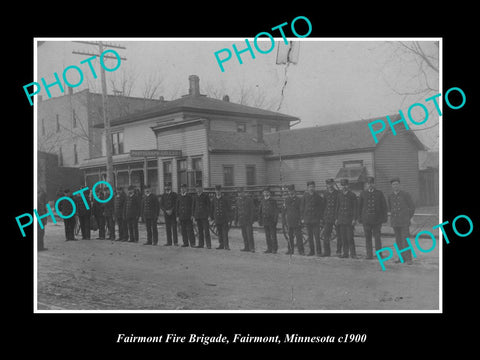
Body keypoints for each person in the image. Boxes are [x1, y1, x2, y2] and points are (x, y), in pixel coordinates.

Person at [358, 176, 388, 259]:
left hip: (377, 220)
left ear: (374, 184)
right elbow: (359, 207)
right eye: (368, 183)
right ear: (366, 185)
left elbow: (384, 206)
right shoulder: (363, 193)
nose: (370, 185)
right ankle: (369, 254)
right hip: (366, 220)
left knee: (377, 238)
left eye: (371, 183)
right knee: (368, 238)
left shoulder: (379, 193)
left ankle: (379, 254)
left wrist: (384, 218)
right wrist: (360, 218)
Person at [388, 177, 416, 265]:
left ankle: (408, 259)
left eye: (396, 184)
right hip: (395, 221)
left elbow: (412, 207)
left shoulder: (405, 194)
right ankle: (401, 258)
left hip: (404, 221)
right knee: (398, 240)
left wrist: (408, 217)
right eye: (393, 184)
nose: (395, 186)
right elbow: (390, 208)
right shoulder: (390, 196)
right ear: (391, 186)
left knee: (405, 240)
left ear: (399, 185)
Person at [335, 179, 358, 259]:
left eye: (345, 185)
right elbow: (337, 207)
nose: (344, 187)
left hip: (349, 220)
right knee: (343, 237)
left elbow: (355, 208)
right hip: (341, 219)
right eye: (343, 185)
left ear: (348, 185)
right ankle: (345, 253)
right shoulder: (339, 195)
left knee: (350, 237)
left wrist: (354, 219)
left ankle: (353, 254)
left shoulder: (352, 195)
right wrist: (336, 218)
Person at [301, 181, 324, 256]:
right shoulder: (305, 196)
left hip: (315, 220)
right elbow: (302, 207)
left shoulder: (318, 196)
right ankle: (312, 251)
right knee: (310, 237)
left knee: (317, 237)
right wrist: (303, 218)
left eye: (313, 187)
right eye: (310, 187)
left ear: (314, 187)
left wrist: (320, 218)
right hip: (307, 219)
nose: (311, 188)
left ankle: (319, 251)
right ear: (307, 188)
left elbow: (321, 208)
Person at [283, 184, 304, 255]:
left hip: (297, 220)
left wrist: (301, 219)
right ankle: (290, 250)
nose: (290, 192)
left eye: (292, 191)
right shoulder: (286, 200)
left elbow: (301, 210)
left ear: (294, 191)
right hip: (289, 220)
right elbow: (284, 211)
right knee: (290, 236)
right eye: (289, 191)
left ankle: (301, 250)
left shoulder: (298, 200)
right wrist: (284, 221)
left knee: (299, 237)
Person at [210, 185, 231, 250]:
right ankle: (221, 245)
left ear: (221, 191)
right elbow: (212, 209)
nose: (218, 192)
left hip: (224, 219)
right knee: (219, 233)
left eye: (219, 190)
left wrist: (228, 217)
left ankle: (226, 246)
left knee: (225, 233)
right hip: (217, 218)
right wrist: (212, 217)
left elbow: (228, 208)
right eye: (216, 190)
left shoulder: (225, 198)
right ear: (215, 191)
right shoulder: (213, 199)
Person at [258, 187, 279, 254]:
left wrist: (275, 220)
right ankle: (269, 248)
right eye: (264, 192)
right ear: (263, 193)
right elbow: (260, 211)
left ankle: (274, 249)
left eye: (267, 192)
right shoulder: (262, 201)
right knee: (267, 235)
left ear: (269, 193)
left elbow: (276, 211)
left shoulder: (273, 201)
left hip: (272, 221)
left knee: (273, 235)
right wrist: (260, 220)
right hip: (265, 220)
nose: (266, 193)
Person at [235, 187, 255, 252]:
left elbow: (252, 210)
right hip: (241, 220)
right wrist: (236, 220)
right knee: (244, 235)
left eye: (241, 192)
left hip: (248, 220)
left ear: (244, 192)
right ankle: (246, 247)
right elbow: (237, 211)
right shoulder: (238, 200)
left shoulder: (249, 200)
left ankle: (252, 248)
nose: (240, 194)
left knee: (249, 235)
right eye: (238, 193)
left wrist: (252, 219)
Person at [192, 182, 211, 249]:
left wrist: (209, 215)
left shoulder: (205, 196)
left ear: (202, 188)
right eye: (197, 188)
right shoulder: (195, 196)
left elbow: (209, 206)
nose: (198, 189)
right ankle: (201, 244)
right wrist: (193, 216)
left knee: (206, 231)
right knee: (200, 231)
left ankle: (208, 245)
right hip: (198, 216)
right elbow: (193, 207)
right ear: (196, 189)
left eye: (199, 188)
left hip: (204, 216)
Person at [322, 179, 338, 257]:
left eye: (331, 184)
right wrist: (324, 217)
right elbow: (323, 206)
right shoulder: (325, 194)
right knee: (326, 235)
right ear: (326, 185)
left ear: (333, 184)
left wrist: (337, 217)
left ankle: (339, 252)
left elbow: (339, 206)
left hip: (336, 217)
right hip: (328, 217)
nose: (330, 186)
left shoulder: (337, 193)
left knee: (340, 235)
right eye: (328, 184)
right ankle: (327, 252)